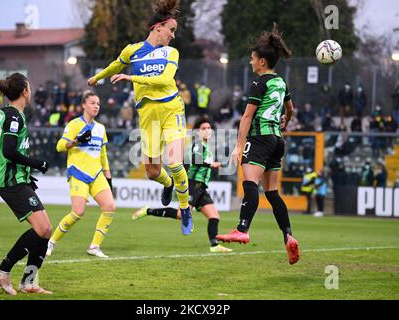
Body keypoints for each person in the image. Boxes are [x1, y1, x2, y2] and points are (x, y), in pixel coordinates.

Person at [87, 0, 193, 235]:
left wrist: (130, 78)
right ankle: (168, 184)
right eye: (171, 30)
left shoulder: (171, 53)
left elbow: (165, 80)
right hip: (147, 115)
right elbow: (116, 65)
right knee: (153, 172)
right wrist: (98, 77)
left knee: (175, 163)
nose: (173, 35)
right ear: (158, 27)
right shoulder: (132, 50)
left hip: (171, 110)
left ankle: (185, 209)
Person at [216, 23, 299, 265]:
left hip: (260, 138)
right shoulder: (281, 82)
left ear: (262, 61)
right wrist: (286, 120)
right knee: (272, 193)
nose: (251, 63)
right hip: (277, 139)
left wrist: (239, 145)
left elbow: (247, 116)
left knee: (249, 182)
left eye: (253, 59)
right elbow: (290, 109)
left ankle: (242, 228)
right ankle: (288, 236)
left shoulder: (258, 83)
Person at [0, 73, 52, 295]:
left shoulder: (9, 113)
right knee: (43, 228)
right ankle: (3, 269)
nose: (31, 90)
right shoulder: (14, 117)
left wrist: (26, 173)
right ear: (25, 91)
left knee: (45, 230)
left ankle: (28, 282)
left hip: (17, 179)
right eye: (30, 86)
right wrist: (37, 163)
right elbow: (8, 151)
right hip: (10, 182)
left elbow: (4, 150)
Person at [132, 116, 232, 253]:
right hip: (192, 184)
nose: (207, 131)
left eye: (209, 128)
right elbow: (192, 160)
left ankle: (214, 245)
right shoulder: (197, 145)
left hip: (201, 187)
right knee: (180, 215)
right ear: (197, 132)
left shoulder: (207, 147)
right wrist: (211, 164)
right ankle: (148, 210)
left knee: (214, 216)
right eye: (204, 128)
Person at [46, 91, 115, 258]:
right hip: (78, 172)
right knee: (78, 212)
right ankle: (51, 242)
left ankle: (94, 247)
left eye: (98, 103)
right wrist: (76, 141)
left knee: (110, 207)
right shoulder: (74, 124)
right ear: (84, 105)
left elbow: (103, 153)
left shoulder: (101, 128)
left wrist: (108, 174)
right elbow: (59, 146)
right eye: (92, 103)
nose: (96, 106)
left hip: (97, 173)